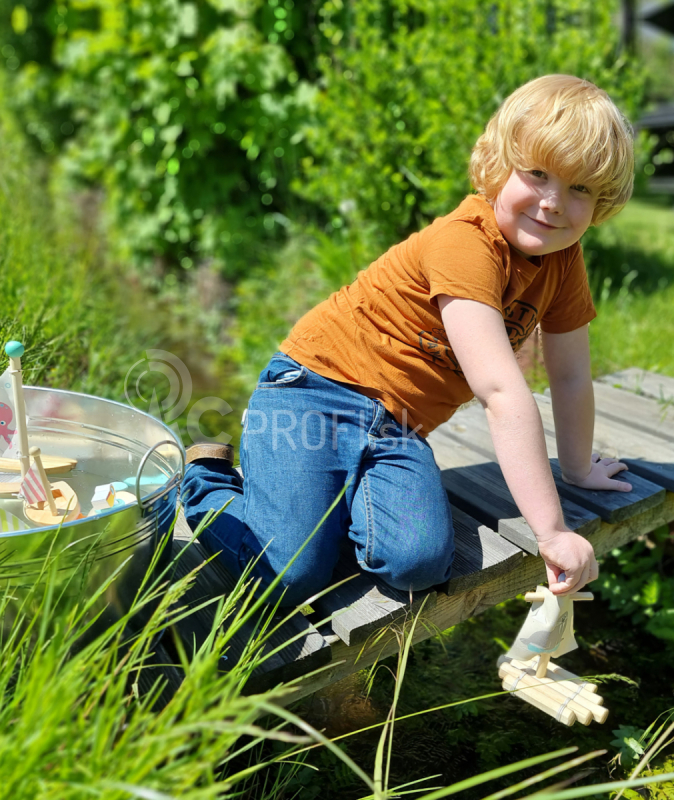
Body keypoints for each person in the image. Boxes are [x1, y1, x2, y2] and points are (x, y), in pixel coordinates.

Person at [181, 74, 635, 608]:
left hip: (398, 426)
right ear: (498, 164)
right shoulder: (465, 242)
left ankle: (332, 495)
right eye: (537, 174)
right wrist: (552, 530)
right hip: (311, 392)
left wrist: (577, 468)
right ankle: (205, 483)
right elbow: (500, 390)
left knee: (417, 563)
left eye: (579, 188)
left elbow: (571, 373)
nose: (554, 202)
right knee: (289, 574)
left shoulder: (563, 261)